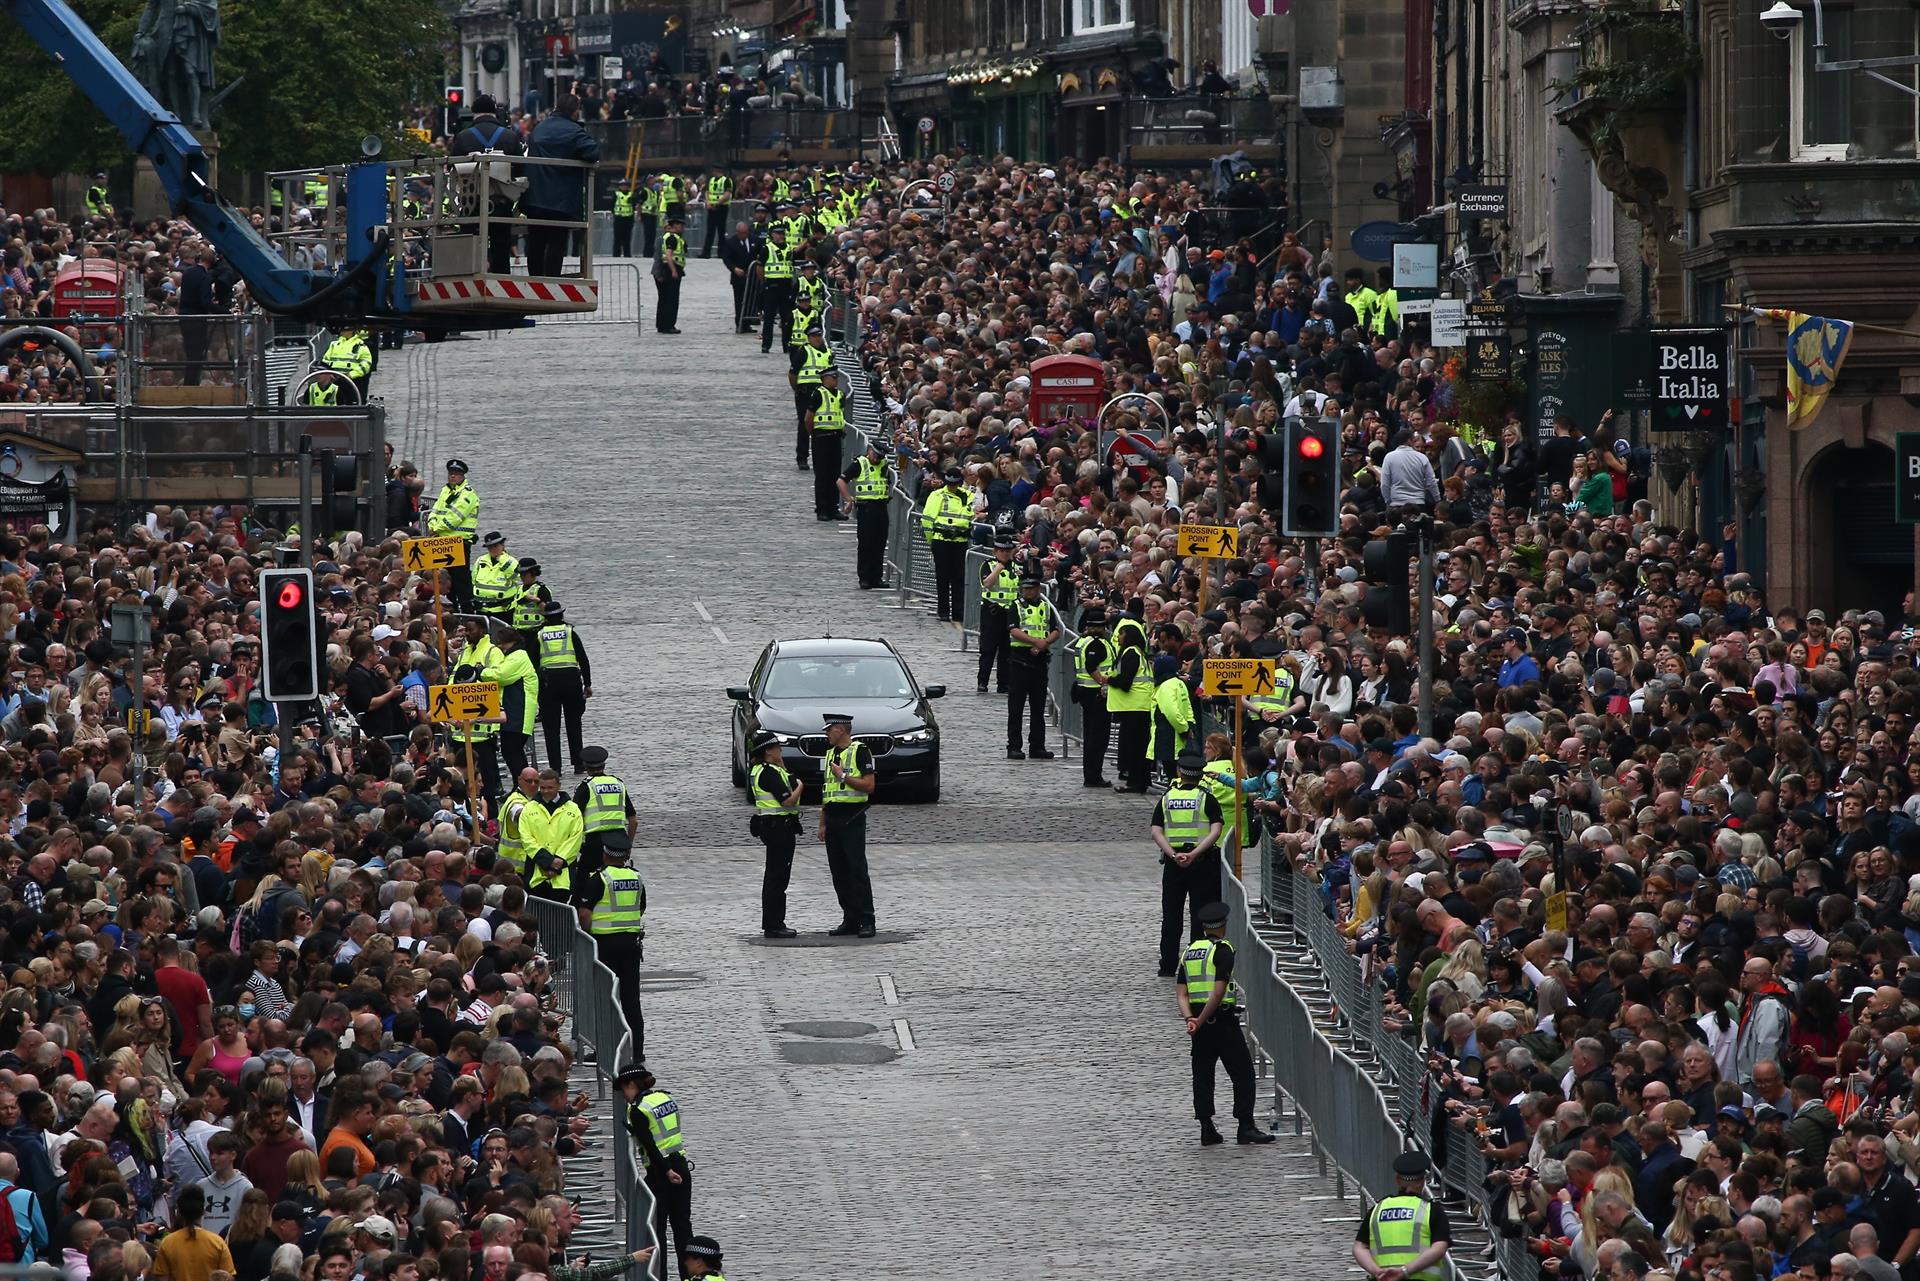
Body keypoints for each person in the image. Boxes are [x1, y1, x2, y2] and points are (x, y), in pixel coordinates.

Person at [1178, 900, 1274, 1146]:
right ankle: (1246, 1126)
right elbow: (1218, 992)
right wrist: (1200, 1020)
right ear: (1224, 924)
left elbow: (1181, 993)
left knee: (1202, 1075)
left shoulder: (1190, 951)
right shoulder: (1222, 950)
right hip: (1221, 1021)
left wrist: (1191, 1019)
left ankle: (1207, 1128)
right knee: (1243, 1073)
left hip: (1199, 1025)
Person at [573, 831, 646, 1056]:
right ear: (626, 855)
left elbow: (585, 914)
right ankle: (637, 1050)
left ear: (605, 854)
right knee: (631, 1000)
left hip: (604, 946)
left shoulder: (599, 879)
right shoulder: (636, 877)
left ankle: (606, 1050)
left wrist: (586, 935)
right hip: (630, 945)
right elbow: (641, 907)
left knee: (605, 998)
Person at [1151, 752, 1224, 976]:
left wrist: (1173, 854)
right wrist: (1195, 854)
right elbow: (1216, 830)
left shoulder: (1167, 798)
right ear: (1201, 776)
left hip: (1174, 865)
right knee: (1200, 913)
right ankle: (1196, 962)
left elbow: (1156, 831)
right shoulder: (1207, 799)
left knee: (1171, 914)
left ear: (1180, 773)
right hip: (1202, 862)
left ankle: (1168, 964)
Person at [616, 1065, 693, 1281]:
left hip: (661, 1173)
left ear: (631, 1084)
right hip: (681, 1164)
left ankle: (659, 1277)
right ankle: (690, 1276)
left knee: (657, 1230)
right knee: (683, 1227)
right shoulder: (663, 1098)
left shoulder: (638, 1109)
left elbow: (650, 1146)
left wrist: (666, 1171)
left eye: (623, 1089)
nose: (623, 1095)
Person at [523, 94, 600, 277]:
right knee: (557, 242)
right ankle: (551, 281)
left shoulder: (539, 129)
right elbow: (592, 152)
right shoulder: (573, 131)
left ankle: (534, 280)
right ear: (575, 111)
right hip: (561, 200)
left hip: (535, 197)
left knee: (535, 241)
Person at [448, 94, 525, 274]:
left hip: (470, 203)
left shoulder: (464, 137)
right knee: (501, 246)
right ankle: (502, 281)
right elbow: (521, 169)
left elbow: (452, 169)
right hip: (501, 202)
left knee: (469, 243)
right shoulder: (510, 136)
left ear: (474, 113)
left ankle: (469, 276)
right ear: (494, 112)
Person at [819, 712, 877, 937]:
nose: (826, 733)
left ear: (841, 729)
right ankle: (849, 918)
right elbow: (826, 791)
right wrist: (822, 823)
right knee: (839, 872)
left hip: (852, 816)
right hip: (833, 817)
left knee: (856, 869)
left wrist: (844, 776)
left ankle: (866, 920)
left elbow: (869, 785)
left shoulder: (860, 751)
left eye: (829, 729)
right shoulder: (830, 755)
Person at [1354, 1151, 1452, 1281]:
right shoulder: (1431, 1210)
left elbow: (1359, 1247)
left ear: (1397, 1180)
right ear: (1421, 1181)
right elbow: (1439, 1248)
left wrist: (1377, 1271)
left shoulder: (1377, 1209)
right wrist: (1404, 1271)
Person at [748, 729, 805, 938]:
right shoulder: (768, 772)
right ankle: (774, 924)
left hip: (773, 827)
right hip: (779, 828)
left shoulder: (764, 769)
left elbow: (785, 782)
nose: (780, 750)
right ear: (768, 751)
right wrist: (801, 787)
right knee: (777, 878)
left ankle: (774, 922)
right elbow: (787, 800)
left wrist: (782, 766)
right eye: (777, 748)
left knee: (775, 876)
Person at [1005, 571, 1057, 760]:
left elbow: (1055, 630)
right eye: (1025, 588)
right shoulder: (1016, 606)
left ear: (1037, 589)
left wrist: (1044, 643)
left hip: (1039, 660)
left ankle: (1037, 746)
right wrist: (1036, 642)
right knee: (1016, 707)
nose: (1027, 591)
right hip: (1020, 659)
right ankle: (1014, 746)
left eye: (1031, 588)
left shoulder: (1046, 606)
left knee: (1038, 707)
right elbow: (1014, 630)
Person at [536, 601, 592, 773]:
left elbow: (533, 660)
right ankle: (578, 763)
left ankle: (556, 767)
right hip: (571, 682)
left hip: (548, 683)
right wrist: (588, 684)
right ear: (561, 616)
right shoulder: (570, 633)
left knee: (551, 728)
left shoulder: (539, 634)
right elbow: (583, 659)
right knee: (574, 724)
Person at [1107, 604, 1153, 792]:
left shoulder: (1130, 653)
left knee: (1133, 747)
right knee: (1139, 746)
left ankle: (1135, 782)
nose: (1118, 637)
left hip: (1134, 707)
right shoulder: (1139, 653)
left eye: (1121, 634)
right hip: (1139, 706)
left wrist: (1108, 679)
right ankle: (1140, 781)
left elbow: (1125, 681)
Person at [482, 627, 539, 780]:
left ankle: (524, 782)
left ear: (512, 641)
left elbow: (501, 675)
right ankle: (522, 782)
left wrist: (482, 672)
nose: (500, 647)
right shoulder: (514, 655)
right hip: (515, 710)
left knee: (512, 751)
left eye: (502, 643)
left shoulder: (518, 656)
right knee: (512, 751)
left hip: (518, 712)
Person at [574, 744, 637, 882]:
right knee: (617, 880)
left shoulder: (586, 787)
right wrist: (628, 845)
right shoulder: (619, 784)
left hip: (594, 844)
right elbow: (633, 820)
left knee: (583, 884)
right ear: (603, 765)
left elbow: (573, 819)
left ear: (585, 766)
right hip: (620, 841)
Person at [837, 435, 892, 590]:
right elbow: (841, 481)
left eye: (880, 456)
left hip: (881, 507)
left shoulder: (884, 464)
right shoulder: (860, 463)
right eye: (875, 455)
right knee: (866, 544)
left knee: (879, 543)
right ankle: (865, 577)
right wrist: (848, 499)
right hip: (866, 508)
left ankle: (876, 577)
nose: (877, 459)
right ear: (869, 450)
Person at [921, 466, 974, 622]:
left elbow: (971, 515)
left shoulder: (968, 496)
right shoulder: (937, 495)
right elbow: (927, 520)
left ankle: (958, 612)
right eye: (950, 483)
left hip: (960, 541)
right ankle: (943, 611)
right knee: (942, 577)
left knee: (959, 578)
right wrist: (932, 540)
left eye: (955, 483)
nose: (952, 486)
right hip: (941, 541)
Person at [426, 459, 480, 610]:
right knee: (445, 580)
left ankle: (467, 610)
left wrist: (435, 528)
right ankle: (450, 608)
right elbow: (435, 512)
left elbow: (454, 519)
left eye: (456, 474)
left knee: (460, 580)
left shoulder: (467, 495)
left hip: (459, 543)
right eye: (451, 474)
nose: (453, 477)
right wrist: (432, 524)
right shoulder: (446, 491)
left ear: (463, 476)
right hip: (442, 543)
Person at [1071, 608, 1114, 788]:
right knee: (1098, 738)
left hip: (1084, 692)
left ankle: (1091, 774)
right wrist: (1103, 684)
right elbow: (1091, 666)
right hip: (1096, 694)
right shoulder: (1098, 643)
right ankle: (1093, 776)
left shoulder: (1082, 641)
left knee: (1090, 736)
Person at [976, 534, 1020, 694]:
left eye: (1008, 550)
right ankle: (983, 681)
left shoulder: (1016, 567)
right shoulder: (988, 565)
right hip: (992, 612)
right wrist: (997, 569)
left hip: (1010, 613)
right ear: (995, 551)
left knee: (1007, 650)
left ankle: (1004, 684)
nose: (1005, 553)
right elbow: (986, 583)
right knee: (988, 649)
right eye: (1002, 550)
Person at [806, 364, 850, 521]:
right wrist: (814, 434)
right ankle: (822, 509)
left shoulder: (839, 395)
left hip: (835, 437)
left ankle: (833, 507)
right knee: (822, 475)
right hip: (821, 438)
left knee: (834, 474)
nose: (836, 380)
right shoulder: (818, 394)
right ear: (825, 379)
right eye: (833, 377)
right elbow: (808, 418)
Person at [792, 325, 833, 470]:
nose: (817, 339)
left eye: (819, 336)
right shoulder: (804, 351)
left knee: (820, 426)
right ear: (809, 338)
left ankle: (819, 458)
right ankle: (802, 457)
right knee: (804, 424)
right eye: (814, 336)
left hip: (822, 392)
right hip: (806, 392)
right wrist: (797, 389)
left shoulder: (828, 352)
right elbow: (793, 373)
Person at [757, 222, 796, 353]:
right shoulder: (767, 248)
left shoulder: (789, 248)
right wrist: (764, 282)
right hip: (772, 285)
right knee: (769, 317)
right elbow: (760, 266)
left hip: (785, 286)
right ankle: (766, 345)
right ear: (772, 235)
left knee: (786, 318)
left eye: (782, 233)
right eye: (778, 233)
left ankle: (787, 345)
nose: (780, 236)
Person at [471, 530, 520, 626]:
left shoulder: (511, 562)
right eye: (490, 547)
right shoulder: (481, 561)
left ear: (502, 545)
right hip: (482, 610)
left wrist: (502, 560)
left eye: (495, 546)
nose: (493, 549)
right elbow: (473, 581)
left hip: (503, 611)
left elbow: (516, 577)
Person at [319, 328, 373, 404]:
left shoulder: (360, 346)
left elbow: (366, 363)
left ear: (352, 331)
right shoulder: (334, 345)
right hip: (335, 380)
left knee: (352, 402)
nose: (341, 331)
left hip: (352, 382)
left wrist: (351, 375)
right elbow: (326, 360)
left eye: (344, 330)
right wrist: (328, 374)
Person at [720, 220, 757, 332]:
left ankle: (748, 323)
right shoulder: (731, 242)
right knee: (739, 301)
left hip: (752, 277)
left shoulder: (754, 240)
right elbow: (726, 258)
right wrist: (734, 269)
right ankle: (739, 323)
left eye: (746, 233)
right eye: (742, 233)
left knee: (751, 300)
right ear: (737, 232)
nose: (744, 235)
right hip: (738, 277)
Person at [654, 212, 686, 334]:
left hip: (668, 269)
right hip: (671, 269)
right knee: (671, 300)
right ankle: (669, 325)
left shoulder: (668, 237)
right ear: (675, 226)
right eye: (680, 225)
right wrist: (673, 270)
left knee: (664, 299)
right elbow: (668, 255)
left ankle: (662, 325)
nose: (682, 227)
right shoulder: (672, 238)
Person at [701, 170, 732, 258]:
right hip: (711, 208)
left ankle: (721, 253)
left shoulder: (726, 181)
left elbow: (727, 195)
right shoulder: (711, 180)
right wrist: (708, 203)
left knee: (721, 231)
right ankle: (706, 253)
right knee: (710, 231)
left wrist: (717, 203)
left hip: (721, 208)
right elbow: (707, 192)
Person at [610, 179, 635, 257]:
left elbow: (633, 206)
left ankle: (627, 254)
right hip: (619, 218)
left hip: (628, 219)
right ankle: (616, 254)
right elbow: (611, 205)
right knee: (617, 238)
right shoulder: (616, 194)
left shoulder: (631, 194)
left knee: (627, 238)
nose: (624, 187)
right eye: (622, 185)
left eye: (626, 185)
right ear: (619, 186)